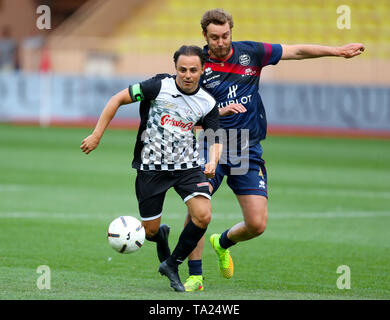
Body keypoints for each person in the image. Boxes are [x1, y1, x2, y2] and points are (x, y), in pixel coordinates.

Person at [183, 8, 365, 292]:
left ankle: (223, 242)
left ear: (232, 31)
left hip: (245, 147)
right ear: (204, 36)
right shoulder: (195, 64)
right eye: (214, 37)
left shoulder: (251, 53)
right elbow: (186, 118)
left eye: (225, 35)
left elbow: (297, 51)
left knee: (256, 224)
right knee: (199, 208)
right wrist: (218, 112)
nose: (220, 42)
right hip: (212, 146)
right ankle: (195, 275)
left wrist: (337, 51)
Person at [80, 45, 222, 292]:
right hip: (151, 168)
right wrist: (96, 135)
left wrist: (212, 161)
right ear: (175, 68)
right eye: (182, 69)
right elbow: (117, 99)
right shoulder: (157, 87)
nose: (187, 75)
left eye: (193, 70)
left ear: (202, 70)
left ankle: (172, 263)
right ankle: (162, 239)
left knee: (203, 215)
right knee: (150, 230)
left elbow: (216, 138)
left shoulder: (207, 102)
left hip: (187, 167)